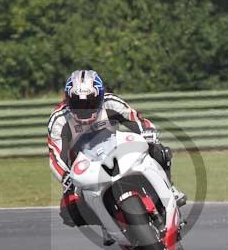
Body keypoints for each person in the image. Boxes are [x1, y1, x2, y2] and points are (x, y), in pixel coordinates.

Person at [48, 69, 186, 238]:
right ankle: (105, 221)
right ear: (68, 99)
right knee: (68, 211)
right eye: (78, 103)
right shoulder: (59, 119)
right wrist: (66, 177)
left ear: (100, 95)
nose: (84, 108)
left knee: (159, 151)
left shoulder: (111, 102)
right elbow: (55, 155)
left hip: (116, 149)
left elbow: (137, 120)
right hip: (85, 165)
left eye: (90, 101)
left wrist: (148, 133)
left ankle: (169, 188)